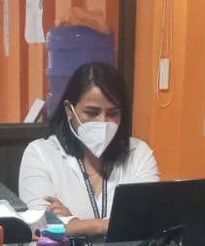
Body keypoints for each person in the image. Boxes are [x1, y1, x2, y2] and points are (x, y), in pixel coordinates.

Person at [17, 61, 159, 236]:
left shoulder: (139, 153)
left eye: (113, 113)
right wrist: (110, 224)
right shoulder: (40, 154)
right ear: (69, 110)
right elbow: (40, 229)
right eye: (92, 112)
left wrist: (75, 224)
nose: (103, 121)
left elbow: (147, 222)